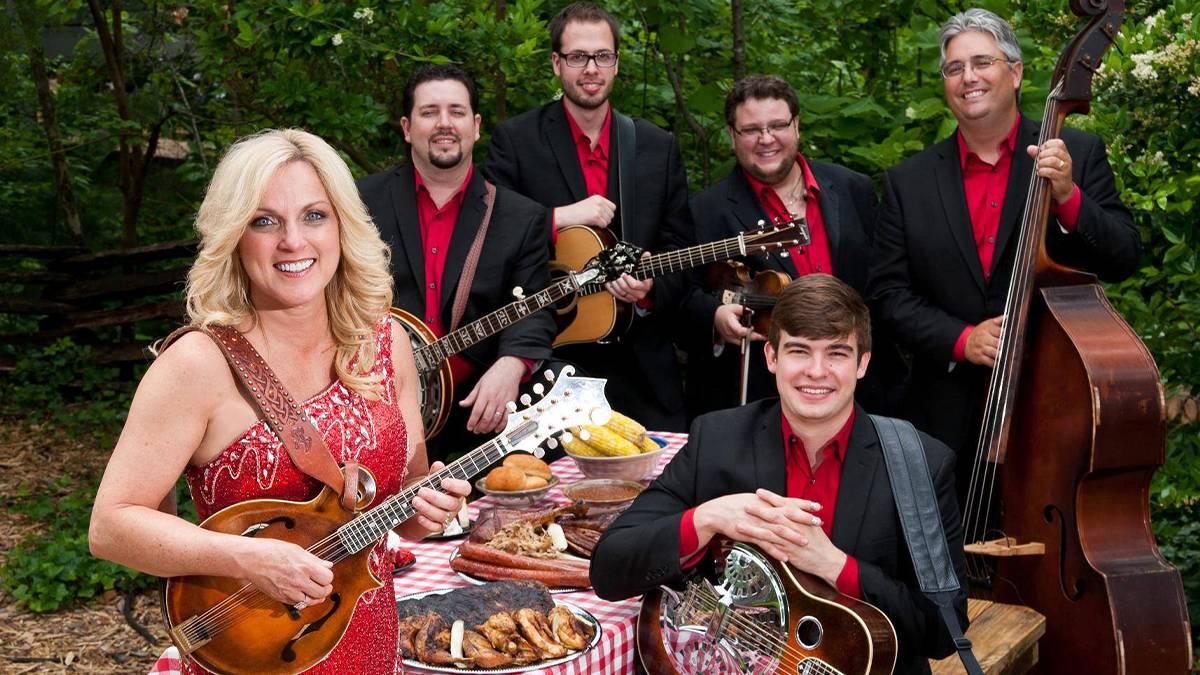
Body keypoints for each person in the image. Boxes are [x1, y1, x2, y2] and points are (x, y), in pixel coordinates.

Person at [89, 129, 471, 674]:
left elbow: (399, 510)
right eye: (265, 221)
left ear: (343, 226)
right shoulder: (199, 365)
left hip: (372, 648)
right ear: (234, 236)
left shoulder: (387, 344)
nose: (293, 241)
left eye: (314, 215)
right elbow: (112, 526)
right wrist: (246, 556)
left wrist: (425, 511)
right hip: (249, 652)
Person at [591, 274, 967, 674]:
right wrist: (707, 519)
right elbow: (609, 568)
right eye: (799, 351)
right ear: (772, 357)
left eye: (837, 354)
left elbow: (945, 630)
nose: (816, 371)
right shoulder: (716, 440)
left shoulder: (919, 462)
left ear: (863, 364)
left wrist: (836, 566)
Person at [868, 9, 1138, 490]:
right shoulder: (907, 183)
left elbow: (1123, 257)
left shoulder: (1077, 150)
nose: (968, 77)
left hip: (1056, 401)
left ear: (1015, 73)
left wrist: (1068, 198)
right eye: (954, 68)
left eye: (982, 62)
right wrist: (961, 338)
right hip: (944, 419)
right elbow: (887, 296)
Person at [484, 2, 694, 431]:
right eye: (578, 57)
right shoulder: (517, 141)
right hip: (553, 366)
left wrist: (652, 286)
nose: (591, 69)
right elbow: (488, 239)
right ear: (556, 63)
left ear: (616, 63)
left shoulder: (656, 146)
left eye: (602, 56)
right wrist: (557, 217)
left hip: (645, 372)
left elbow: (681, 248)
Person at [358, 65, 555, 462]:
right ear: (407, 127)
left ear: (476, 125)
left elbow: (537, 306)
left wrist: (512, 363)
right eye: (429, 112)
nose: (444, 124)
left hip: (472, 414)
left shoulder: (520, 217)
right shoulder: (358, 203)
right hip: (372, 407)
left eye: (457, 112)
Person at [682, 74, 905, 419]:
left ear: (797, 126)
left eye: (777, 125)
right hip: (763, 396)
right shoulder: (706, 209)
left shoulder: (853, 189)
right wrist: (715, 316)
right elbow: (683, 297)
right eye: (751, 130)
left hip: (862, 391)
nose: (766, 139)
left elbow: (886, 277)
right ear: (732, 136)